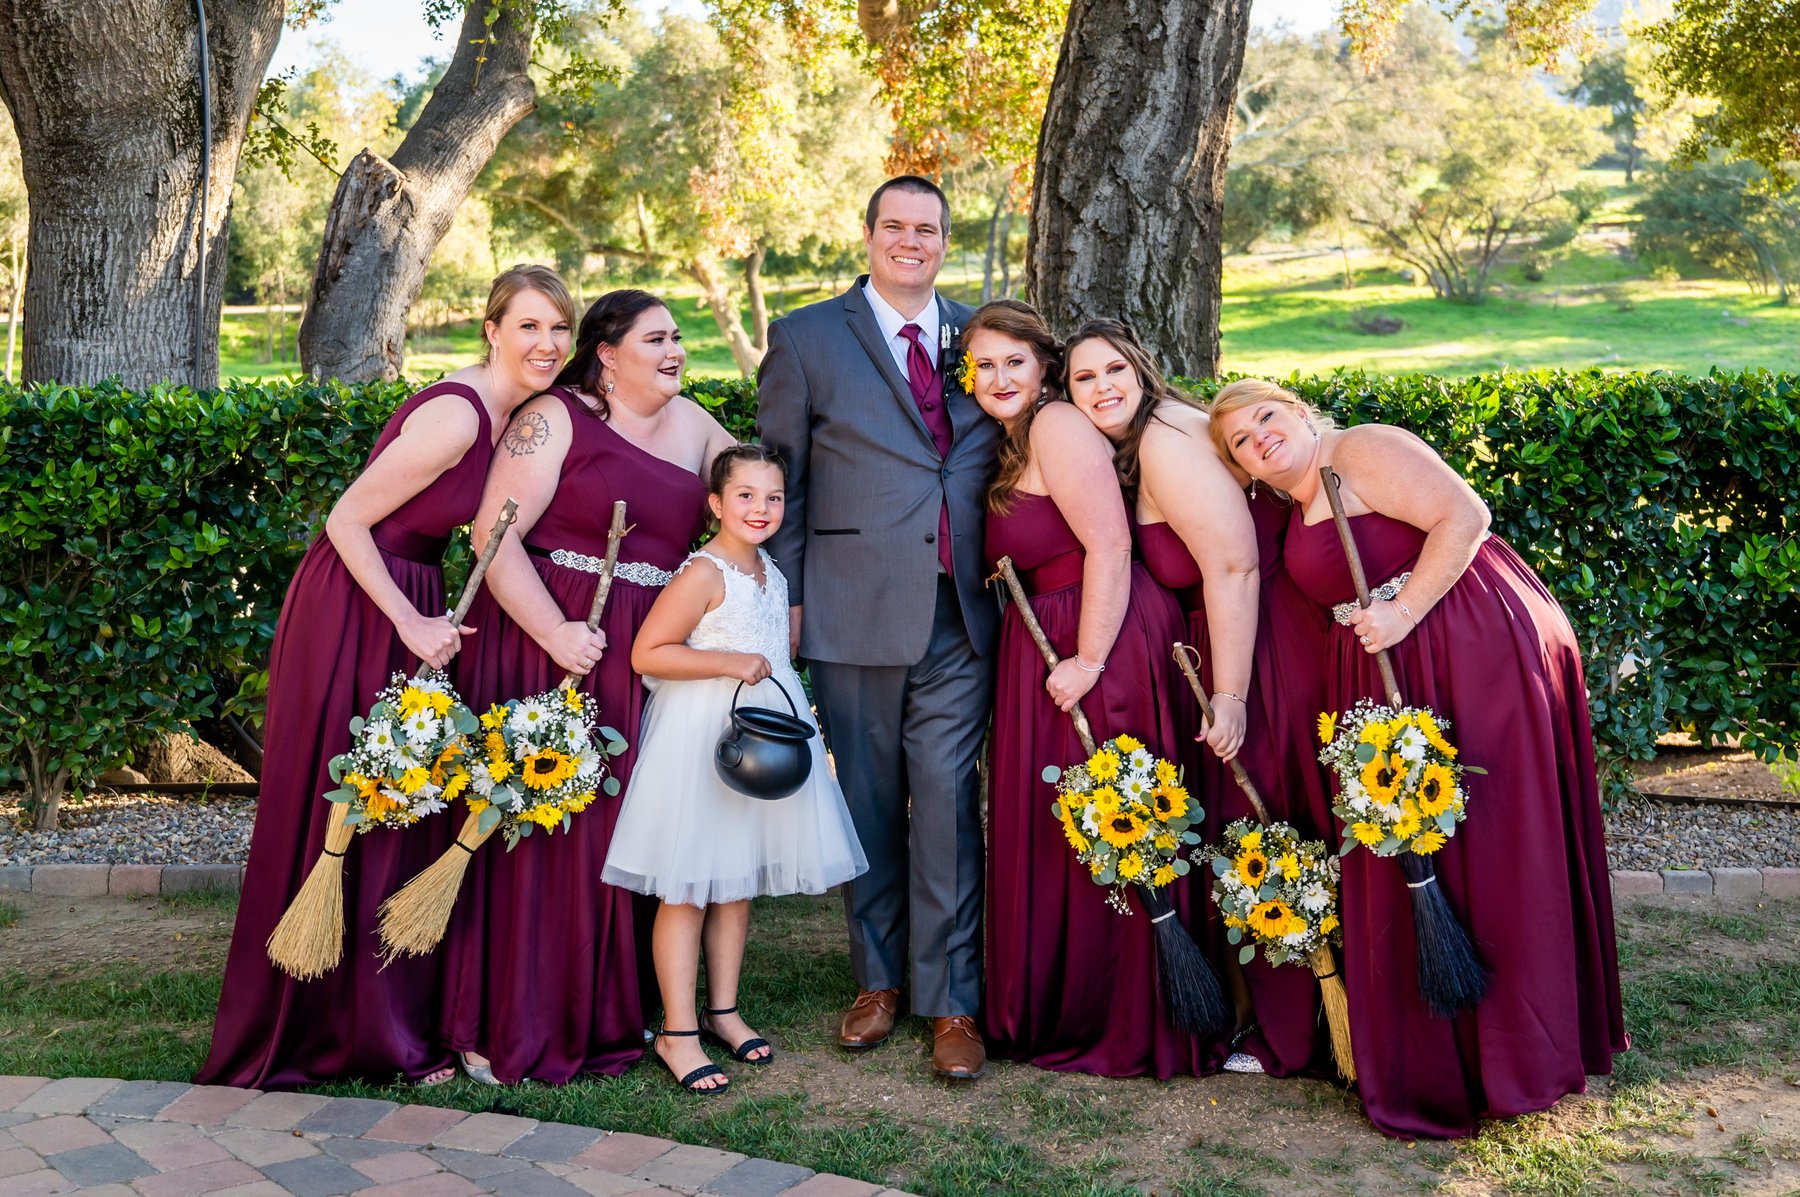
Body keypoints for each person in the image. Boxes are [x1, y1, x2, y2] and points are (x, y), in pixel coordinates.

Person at [1211, 378, 1627, 1138]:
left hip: (1469, 645)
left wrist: (1402, 611)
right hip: (1399, 665)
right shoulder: (1292, 504)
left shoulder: (1360, 449)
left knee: (1492, 838)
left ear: (1298, 410)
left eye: (1266, 416)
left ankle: (1517, 1051)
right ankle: (1452, 1050)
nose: (1259, 437)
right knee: (1428, 843)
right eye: (1241, 440)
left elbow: (1466, 516)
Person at [199, 265, 576, 1089]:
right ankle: (314, 1025)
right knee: (353, 798)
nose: (547, 343)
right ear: (492, 329)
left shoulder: (516, 415)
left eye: (559, 328)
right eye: (529, 325)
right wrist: (408, 620)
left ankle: (378, 1023)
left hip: (412, 598)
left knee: (401, 796)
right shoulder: (459, 415)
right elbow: (346, 518)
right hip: (358, 602)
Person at [440, 289, 736, 1086]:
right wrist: (555, 633)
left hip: (646, 648)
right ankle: (506, 1017)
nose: (675, 351)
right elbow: (492, 535)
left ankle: (609, 1008)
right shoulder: (557, 417)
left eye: (678, 337)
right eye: (656, 339)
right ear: (606, 353)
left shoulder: (698, 426)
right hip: (554, 632)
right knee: (543, 824)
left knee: (621, 829)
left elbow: (757, 499)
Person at [756, 176, 1001, 1080]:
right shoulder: (806, 337)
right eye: (894, 225)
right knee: (865, 801)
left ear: (944, 241)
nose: (910, 240)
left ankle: (953, 998)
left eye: (926, 228)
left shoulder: (981, 336)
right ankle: (878, 980)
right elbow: (781, 479)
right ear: (867, 236)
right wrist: (786, 599)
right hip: (850, 607)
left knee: (945, 801)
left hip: (962, 611)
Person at [1062, 322, 1334, 1079]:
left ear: (1141, 368)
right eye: (1084, 379)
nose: (1103, 388)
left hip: (1260, 649)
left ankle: (1293, 1032)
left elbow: (1235, 566)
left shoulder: (1161, 441)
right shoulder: (1163, 428)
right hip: (1250, 639)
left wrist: (1232, 695)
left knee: (1264, 817)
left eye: (1114, 369)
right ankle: (1302, 1017)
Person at [969, 300, 1202, 1077]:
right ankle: (1072, 998)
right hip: (1050, 639)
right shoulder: (1013, 441)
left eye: (1015, 361)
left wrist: (1091, 658)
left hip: (1098, 638)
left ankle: (1128, 1010)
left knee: (1113, 809)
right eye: (984, 364)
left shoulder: (1057, 424)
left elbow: (1109, 542)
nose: (1000, 377)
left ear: (1044, 368)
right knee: (1074, 819)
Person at [602, 444, 868, 1093]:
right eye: (745, 495)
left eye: (773, 497)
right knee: (688, 885)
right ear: (717, 504)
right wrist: (729, 662)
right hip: (702, 738)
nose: (761, 508)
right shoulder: (704, 572)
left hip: (758, 742)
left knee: (736, 879)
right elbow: (648, 653)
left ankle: (723, 1009)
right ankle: (677, 1030)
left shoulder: (770, 571)